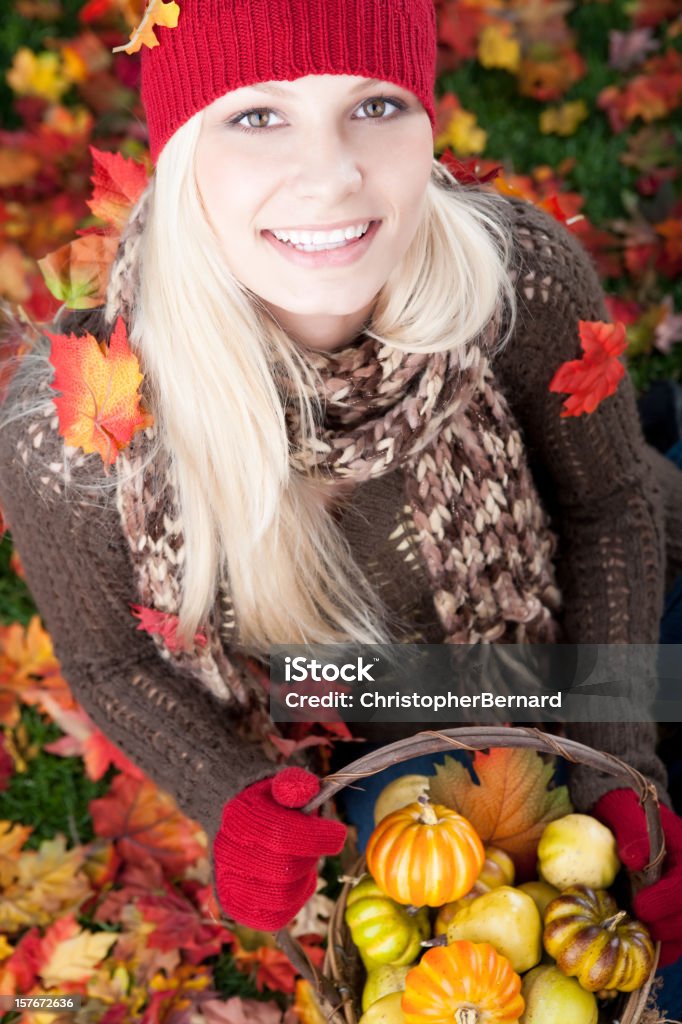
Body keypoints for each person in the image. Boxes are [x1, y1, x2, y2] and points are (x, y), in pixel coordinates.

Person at [1, 0, 682, 1006]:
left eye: (373, 103)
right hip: (377, 712)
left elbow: (608, 507)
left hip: (618, 606)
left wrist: (615, 747)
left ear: (426, 124)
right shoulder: (79, 429)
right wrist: (227, 795)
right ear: (181, 147)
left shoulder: (515, 282)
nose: (330, 174)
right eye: (258, 116)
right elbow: (108, 658)